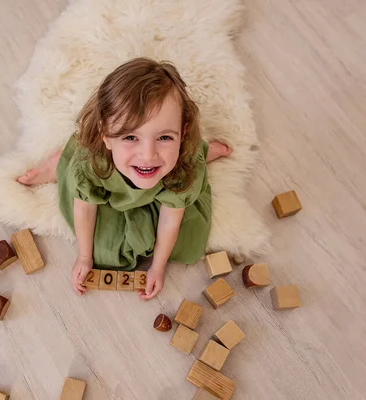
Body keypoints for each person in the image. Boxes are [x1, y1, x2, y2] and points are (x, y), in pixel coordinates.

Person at [18, 58, 232, 300]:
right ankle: (59, 164)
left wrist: (157, 267)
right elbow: (85, 211)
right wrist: (84, 257)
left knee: (188, 244)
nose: (148, 155)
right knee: (104, 253)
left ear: (182, 134)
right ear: (106, 136)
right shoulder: (93, 162)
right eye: (131, 137)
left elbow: (171, 221)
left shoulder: (182, 165)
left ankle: (202, 149)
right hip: (111, 187)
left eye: (165, 138)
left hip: (168, 176)